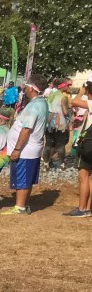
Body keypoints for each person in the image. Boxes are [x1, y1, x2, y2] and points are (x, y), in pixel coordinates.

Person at [5, 75, 49, 215]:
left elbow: (26, 129)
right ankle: (23, 204)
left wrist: (17, 149)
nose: (24, 88)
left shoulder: (34, 106)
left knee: (23, 178)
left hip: (26, 149)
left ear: (31, 88)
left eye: (26, 86)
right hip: (32, 148)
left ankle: (20, 207)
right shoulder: (41, 103)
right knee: (27, 178)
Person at [64, 83, 92, 218]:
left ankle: (82, 208)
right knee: (91, 177)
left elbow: (73, 102)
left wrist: (81, 92)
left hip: (88, 145)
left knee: (83, 176)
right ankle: (88, 207)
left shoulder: (90, 103)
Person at [44, 79, 71, 169]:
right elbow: (65, 111)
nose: (68, 87)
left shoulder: (50, 95)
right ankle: (62, 164)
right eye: (67, 85)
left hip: (49, 121)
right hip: (60, 122)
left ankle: (46, 163)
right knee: (61, 144)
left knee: (48, 143)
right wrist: (70, 110)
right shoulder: (63, 97)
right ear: (62, 86)